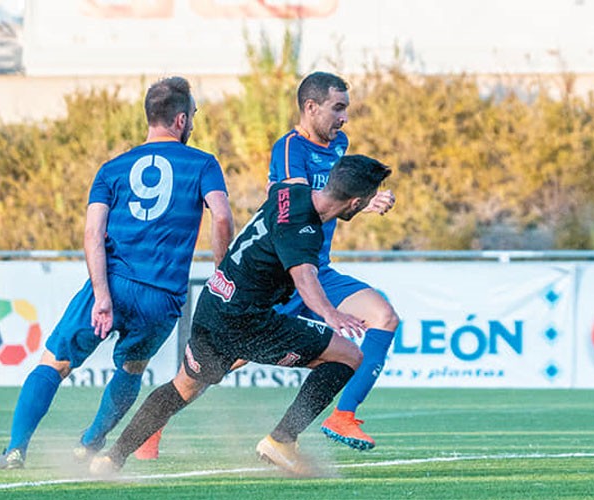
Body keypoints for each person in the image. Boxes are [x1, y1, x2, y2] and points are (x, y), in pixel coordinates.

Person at [89, 154, 392, 477]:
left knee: (183, 388)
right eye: (364, 203)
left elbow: (279, 187)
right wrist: (331, 314)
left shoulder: (289, 192)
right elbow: (305, 279)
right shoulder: (305, 233)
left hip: (213, 305)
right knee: (348, 356)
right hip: (247, 321)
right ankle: (282, 440)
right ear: (356, 202)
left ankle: (112, 457)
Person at [0, 76, 234, 470]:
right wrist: (221, 271)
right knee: (131, 368)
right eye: (192, 115)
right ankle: (90, 442)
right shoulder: (203, 163)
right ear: (179, 120)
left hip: (112, 282)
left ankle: (15, 450)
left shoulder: (111, 169)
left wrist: (102, 296)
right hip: (161, 297)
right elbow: (222, 216)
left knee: (54, 363)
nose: (192, 121)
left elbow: (93, 232)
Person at [269, 71, 399, 450]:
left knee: (384, 317)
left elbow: (335, 203)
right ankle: (154, 422)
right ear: (311, 107)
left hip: (319, 269)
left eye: (346, 108)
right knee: (220, 363)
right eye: (337, 108)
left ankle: (343, 416)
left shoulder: (340, 144)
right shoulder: (290, 148)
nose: (344, 118)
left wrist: (362, 203)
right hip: (283, 271)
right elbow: (294, 208)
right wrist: (349, 202)